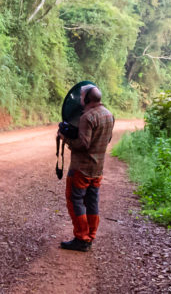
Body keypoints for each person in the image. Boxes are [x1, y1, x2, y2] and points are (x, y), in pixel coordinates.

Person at [58, 85, 114, 252]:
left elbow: (83, 144)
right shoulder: (109, 115)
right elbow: (107, 139)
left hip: (80, 169)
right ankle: (90, 235)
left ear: (87, 99)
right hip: (97, 169)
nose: (80, 99)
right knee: (92, 202)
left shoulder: (87, 117)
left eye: (81, 96)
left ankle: (81, 238)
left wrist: (65, 138)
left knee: (75, 200)